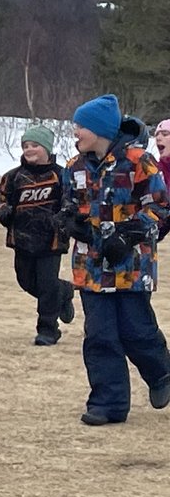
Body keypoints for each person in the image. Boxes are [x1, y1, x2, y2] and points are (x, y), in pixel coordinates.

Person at [59, 93, 170, 426]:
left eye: (80, 127)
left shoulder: (140, 162)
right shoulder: (73, 166)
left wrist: (130, 235)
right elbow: (68, 205)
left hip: (131, 268)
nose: (75, 133)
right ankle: (108, 404)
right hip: (90, 269)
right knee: (100, 336)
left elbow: (160, 207)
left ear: (99, 130)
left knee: (136, 331)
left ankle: (162, 373)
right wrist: (68, 220)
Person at [0, 124, 75, 346]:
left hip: (51, 241)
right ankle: (63, 291)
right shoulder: (14, 176)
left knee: (46, 285)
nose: (29, 149)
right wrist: (3, 212)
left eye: (35, 145)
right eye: (26, 146)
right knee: (26, 281)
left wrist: (63, 217)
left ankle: (48, 329)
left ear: (46, 148)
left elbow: (72, 200)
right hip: (22, 240)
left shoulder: (61, 175)